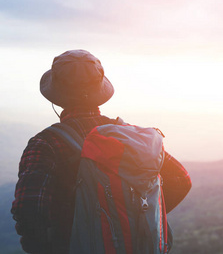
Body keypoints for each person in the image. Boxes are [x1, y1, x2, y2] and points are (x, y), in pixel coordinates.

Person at [11, 49, 192, 254]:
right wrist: (132, 215)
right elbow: (181, 179)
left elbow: (29, 209)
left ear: (56, 97)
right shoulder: (131, 138)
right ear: (100, 92)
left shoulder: (46, 144)